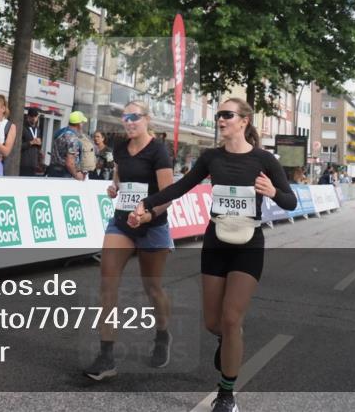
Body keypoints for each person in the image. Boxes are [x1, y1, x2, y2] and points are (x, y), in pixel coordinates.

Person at [130, 98, 297, 412]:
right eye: (218, 115)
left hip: (248, 244)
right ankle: (228, 340)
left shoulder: (264, 160)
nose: (220, 120)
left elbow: (290, 201)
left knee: (232, 319)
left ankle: (226, 395)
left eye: (226, 115)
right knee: (212, 322)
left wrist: (273, 192)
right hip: (216, 242)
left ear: (244, 121)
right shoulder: (211, 158)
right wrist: (147, 205)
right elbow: (181, 188)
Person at [83, 101, 174, 381]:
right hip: (122, 222)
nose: (129, 122)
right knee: (107, 282)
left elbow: (168, 194)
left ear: (146, 119)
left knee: (152, 287)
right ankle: (106, 355)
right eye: (125, 117)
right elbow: (120, 176)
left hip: (152, 225)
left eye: (134, 117)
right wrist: (115, 187)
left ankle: (162, 335)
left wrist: (147, 215)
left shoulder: (158, 150)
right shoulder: (121, 148)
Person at [46, 111, 87, 180]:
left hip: (53, 171)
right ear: (79, 124)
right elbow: (70, 163)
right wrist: (76, 175)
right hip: (64, 173)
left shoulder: (61, 133)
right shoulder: (72, 138)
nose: (82, 125)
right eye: (82, 122)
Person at [19, 107, 44, 177]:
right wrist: (31, 143)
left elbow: (38, 148)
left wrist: (39, 144)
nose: (34, 118)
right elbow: (18, 146)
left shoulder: (38, 130)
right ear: (28, 117)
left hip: (34, 163)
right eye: (32, 116)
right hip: (24, 163)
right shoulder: (23, 128)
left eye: (35, 116)